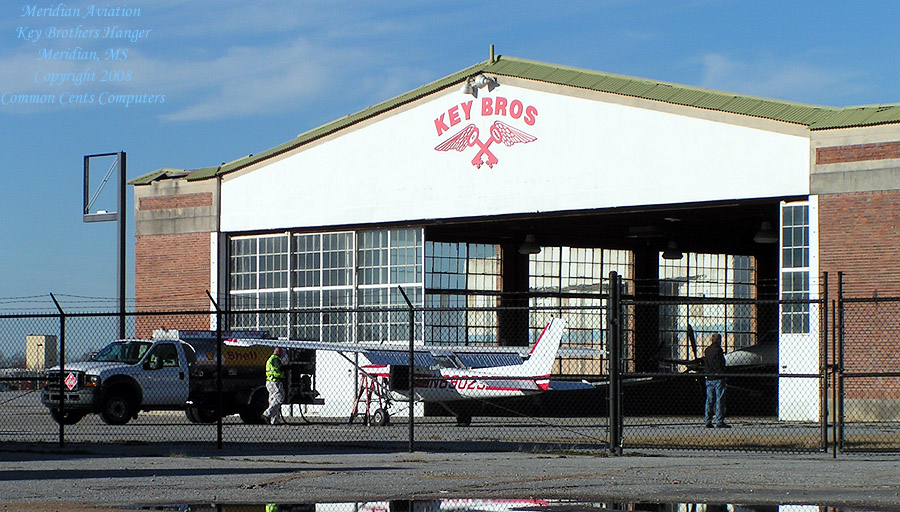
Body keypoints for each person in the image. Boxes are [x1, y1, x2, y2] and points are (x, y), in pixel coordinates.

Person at [703, 333, 730, 428]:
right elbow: (720, 364)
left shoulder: (707, 351)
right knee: (719, 399)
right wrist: (722, 373)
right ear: (719, 340)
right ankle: (719, 421)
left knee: (709, 399)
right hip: (718, 377)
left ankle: (708, 420)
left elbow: (706, 363)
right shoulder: (719, 351)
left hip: (709, 377)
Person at [263, 347, 286, 425]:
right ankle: (267, 414)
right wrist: (289, 367)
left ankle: (275, 420)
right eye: (282, 352)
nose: (283, 354)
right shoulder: (275, 359)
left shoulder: (270, 359)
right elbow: (279, 367)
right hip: (275, 382)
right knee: (279, 398)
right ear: (278, 352)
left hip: (270, 381)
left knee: (273, 400)